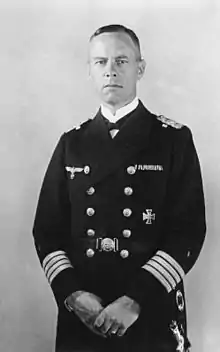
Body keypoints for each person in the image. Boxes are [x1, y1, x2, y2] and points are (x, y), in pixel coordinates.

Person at [33, 24, 206, 352]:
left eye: (121, 61)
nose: (110, 71)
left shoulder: (172, 140)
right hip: (86, 309)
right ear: (89, 71)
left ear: (140, 68)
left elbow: (188, 231)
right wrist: (73, 295)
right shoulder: (72, 143)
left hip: (149, 308)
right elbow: (46, 230)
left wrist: (135, 300)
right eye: (100, 62)